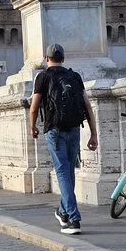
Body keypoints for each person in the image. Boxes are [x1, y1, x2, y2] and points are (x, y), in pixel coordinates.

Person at [29, 43, 98, 235]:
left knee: (62, 172)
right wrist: (93, 133)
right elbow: (87, 107)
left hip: (54, 129)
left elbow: (34, 108)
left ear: (46, 59)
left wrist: (32, 127)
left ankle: (74, 219)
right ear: (63, 59)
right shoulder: (74, 77)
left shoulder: (42, 77)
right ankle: (63, 211)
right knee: (68, 171)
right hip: (74, 128)